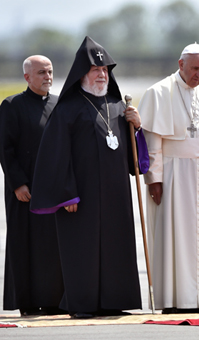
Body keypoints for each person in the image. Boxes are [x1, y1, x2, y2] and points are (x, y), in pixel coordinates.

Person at [29, 37, 146, 319]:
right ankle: (82, 304)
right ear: (83, 73)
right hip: (81, 196)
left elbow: (134, 157)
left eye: (105, 69)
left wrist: (137, 127)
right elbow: (56, 155)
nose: (102, 74)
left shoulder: (118, 106)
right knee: (82, 249)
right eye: (96, 69)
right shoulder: (67, 109)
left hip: (116, 192)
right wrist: (66, 192)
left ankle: (113, 300)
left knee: (115, 245)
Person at [138, 43, 199, 313]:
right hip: (173, 176)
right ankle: (177, 300)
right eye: (194, 69)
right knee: (176, 235)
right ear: (181, 64)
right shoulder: (159, 93)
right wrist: (154, 179)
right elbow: (153, 140)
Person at [0, 55, 64, 316]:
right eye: (41, 73)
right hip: (23, 190)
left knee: (50, 246)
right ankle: (26, 302)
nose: (47, 77)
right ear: (27, 77)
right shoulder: (11, 105)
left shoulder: (60, 105)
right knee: (24, 244)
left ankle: (52, 301)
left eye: (49, 72)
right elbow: (5, 149)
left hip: (52, 190)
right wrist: (18, 184)